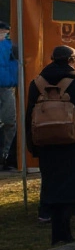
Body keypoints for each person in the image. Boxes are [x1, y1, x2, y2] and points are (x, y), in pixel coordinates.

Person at [27, 46, 75, 245]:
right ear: (70, 60)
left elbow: (28, 117)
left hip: (46, 145)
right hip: (73, 146)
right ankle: (65, 234)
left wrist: (33, 145)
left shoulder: (36, 84)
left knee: (52, 185)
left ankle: (56, 234)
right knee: (71, 187)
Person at [0, 22, 17, 171]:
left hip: (8, 87)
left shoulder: (11, 45)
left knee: (10, 122)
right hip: (7, 87)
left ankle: (6, 155)